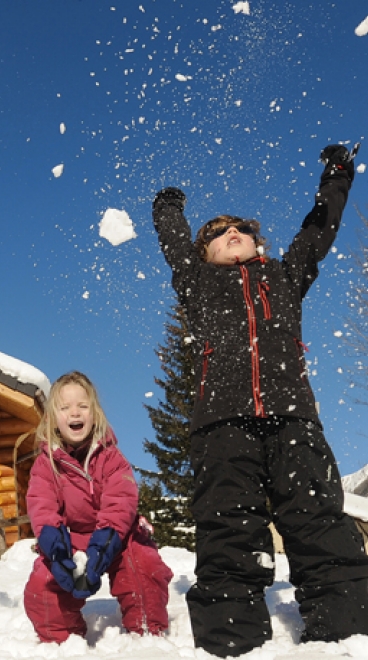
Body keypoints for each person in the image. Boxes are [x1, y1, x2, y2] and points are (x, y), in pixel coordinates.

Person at [152, 144, 368, 657]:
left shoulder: (285, 277)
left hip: (293, 420)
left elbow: (318, 233)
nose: (231, 233)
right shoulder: (197, 282)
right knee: (228, 532)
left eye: (241, 230)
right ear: (202, 253)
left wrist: (338, 174)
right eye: (216, 233)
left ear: (258, 246)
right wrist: (167, 208)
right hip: (222, 426)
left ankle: (347, 636)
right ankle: (232, 644)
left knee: (320, 525)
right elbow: (175, 242)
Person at [24, 371, 173, 643]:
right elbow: (41, 507)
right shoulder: (46, 466)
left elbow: (120, 503)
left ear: (95, 413)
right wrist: (57, 551)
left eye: (83, 406)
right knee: (42, 586)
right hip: (71, 540)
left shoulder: (112, 458)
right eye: (65, 407)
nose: (75, 413)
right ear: (52, 418)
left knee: (145, 566)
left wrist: (103, 545)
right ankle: (64, 640)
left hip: (117, 536)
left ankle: (147, 632)